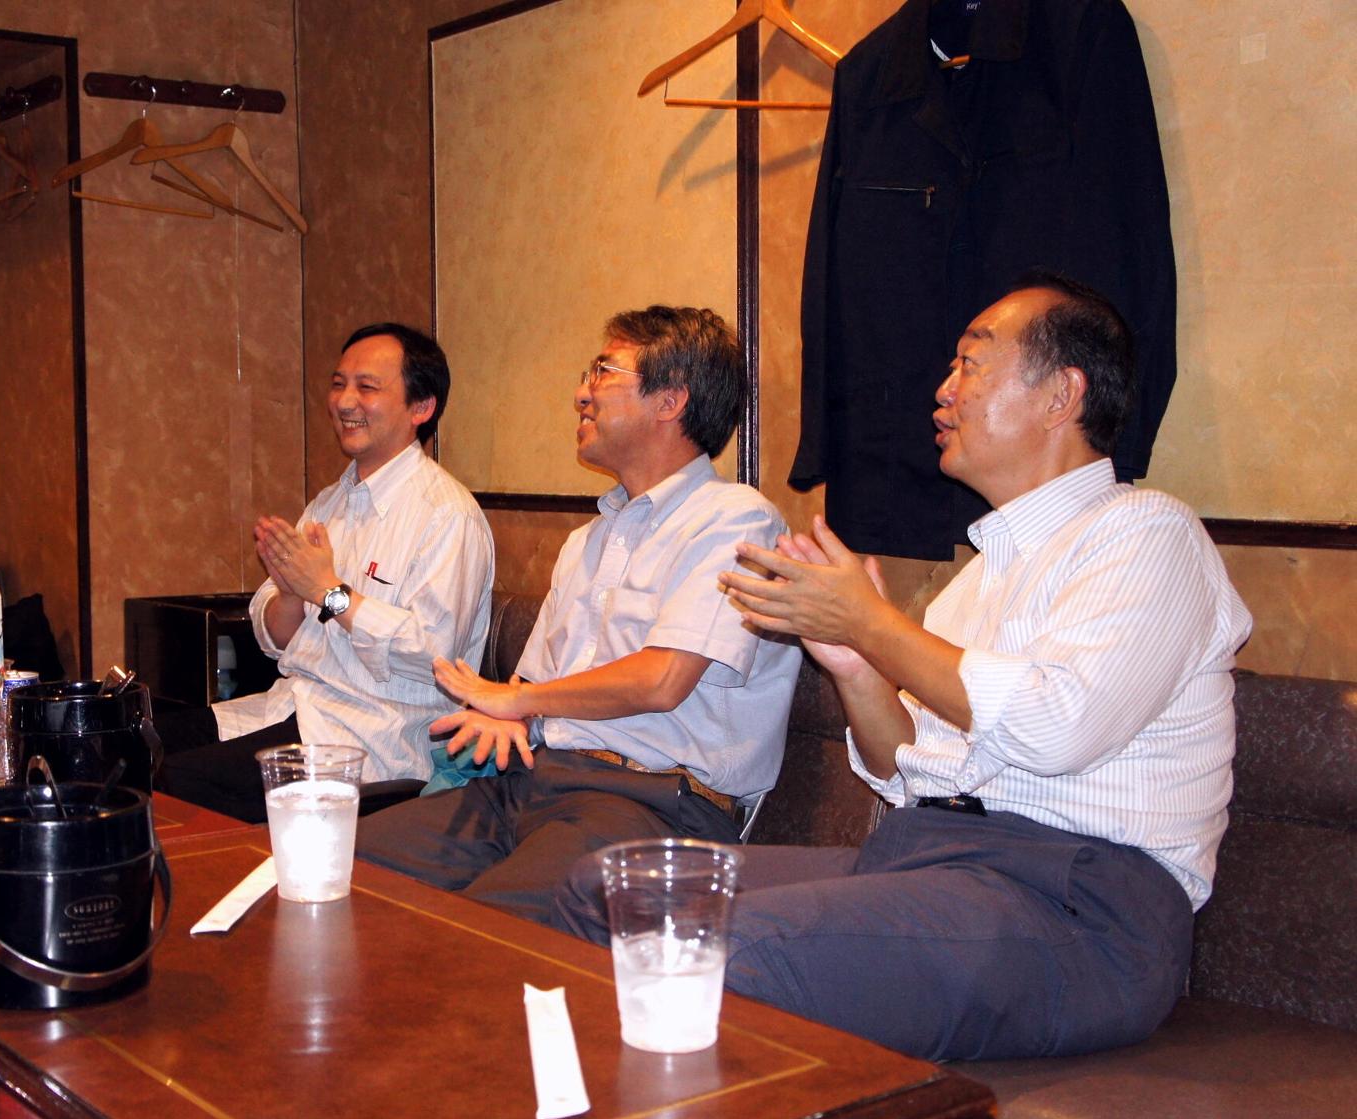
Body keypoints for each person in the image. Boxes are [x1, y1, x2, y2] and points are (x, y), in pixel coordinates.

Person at [556, 274, 1253, 1062]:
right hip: (929, 860)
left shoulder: (1148, 533)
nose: (943, 390)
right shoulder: (977, 581)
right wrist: (856, 666)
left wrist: (872, 624)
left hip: (1080, 905)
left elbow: (1059, 728)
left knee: (719, 956)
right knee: (607, 891)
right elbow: (901, 771)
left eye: (970, 364)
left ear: (1061, 395)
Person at [356, 305, 801, 927]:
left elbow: (663, 680)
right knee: (338, 869)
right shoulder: (586, 541)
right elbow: (530, 689)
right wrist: (502, 712)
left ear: (670, 400)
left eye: (603, 372)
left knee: (484, 934)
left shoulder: (735, 520)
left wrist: (519, 700)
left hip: (653, 805)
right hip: (532, 783)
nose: (580, 393)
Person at [152, 323, 495, 822]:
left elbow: (435, 658)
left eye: (367, 387)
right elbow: (275, 640)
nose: (345, 401)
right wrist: (292, 593)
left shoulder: (448, 515)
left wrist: (328, 591)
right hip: (292, 706)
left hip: (376, 738)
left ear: (421, 407)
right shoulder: (329, 502)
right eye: (339, 384)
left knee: (172, 787)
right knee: (130, 748)